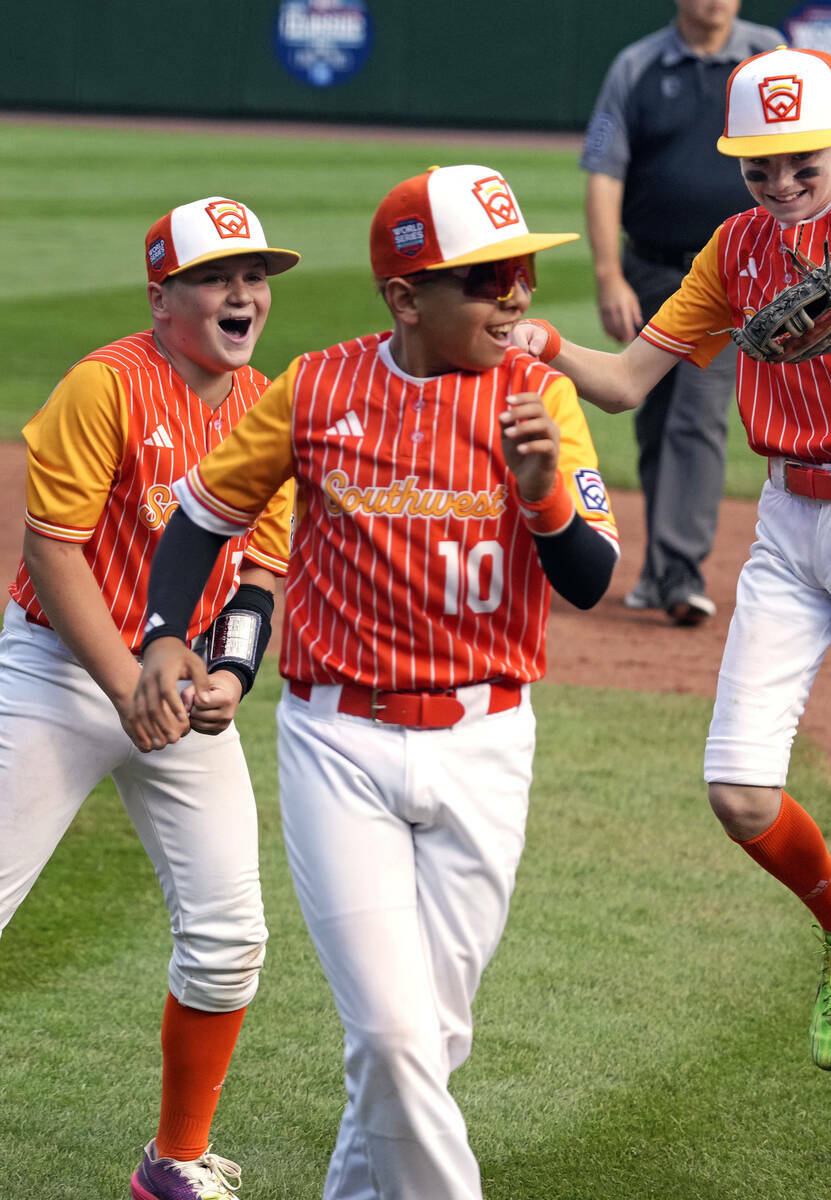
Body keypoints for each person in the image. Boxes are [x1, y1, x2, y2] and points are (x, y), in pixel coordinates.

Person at [129, 164, 620, 1199]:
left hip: (487, 746)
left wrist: (542, 497)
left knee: (423, 1048)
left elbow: (589, 579)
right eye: (486, 280)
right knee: (397, 1037)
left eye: (521, 273)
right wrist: (169, 632)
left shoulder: (542, 396)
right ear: (406, 298)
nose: (518, 296)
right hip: (338, 744)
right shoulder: (316, 389)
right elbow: (204, 519)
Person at [513, 47, 831, 1109]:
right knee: (738, 792)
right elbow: (625, 386)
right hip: (789, 525)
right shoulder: (734, 249)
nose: (783, 185)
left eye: (803, 164)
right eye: (760, 167)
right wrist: (535, 339)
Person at [0, 196, 300, 1200]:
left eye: (253, 276)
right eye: (218, 276)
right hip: (58, 670)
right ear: (162, 295)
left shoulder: (270, 406)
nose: (243, 294)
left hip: (172, 690)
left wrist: (229, 674)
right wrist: (126, 681)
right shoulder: (104, 387)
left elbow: (260, 568)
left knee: (230, 938)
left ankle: (173, 1163)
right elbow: (54, 547)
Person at [581, 0, 782, 625]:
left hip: (733, 273)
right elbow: (603, 170)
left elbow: (806, 157)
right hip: (651, 268)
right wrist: (610, 272)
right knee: (655, 413)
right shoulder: (636, 66)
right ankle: (659, 571)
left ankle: (680, 573)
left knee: (696, 416)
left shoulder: (765, 56)